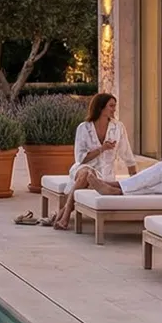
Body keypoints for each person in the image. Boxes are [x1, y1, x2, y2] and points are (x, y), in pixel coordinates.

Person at [50, 93, 135, 230]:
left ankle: (62, 213)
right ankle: (65, 217)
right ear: (100, 108)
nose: (114, 109)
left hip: (104, 174)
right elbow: (80, 158)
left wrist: (135, 180)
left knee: (89, 176)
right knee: (86, 173)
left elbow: (127, 154)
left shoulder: (118, 127)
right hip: (83, 167)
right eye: (111, 106)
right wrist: (102, 149)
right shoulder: (84, 128)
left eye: (115, 106)